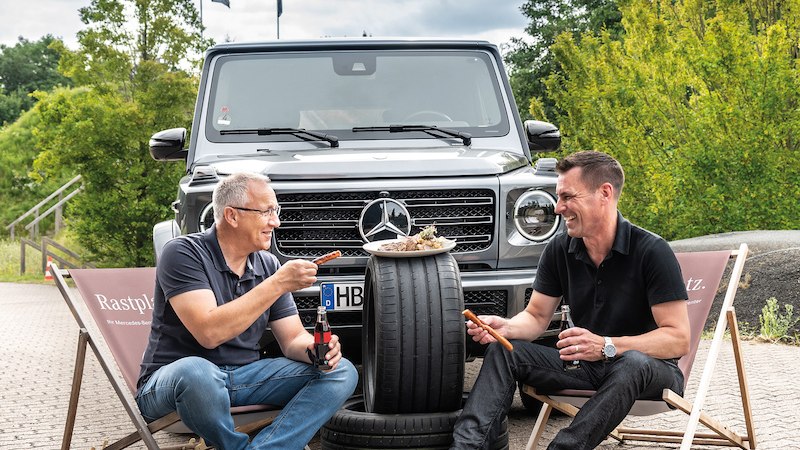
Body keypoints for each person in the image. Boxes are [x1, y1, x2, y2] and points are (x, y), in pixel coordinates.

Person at [451, 151, 690, 450]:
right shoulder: (559, 249)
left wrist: (606, 345)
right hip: (588, 366)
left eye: (567, 197)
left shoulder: (652, 251)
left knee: (632, 362)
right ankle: (467, 447)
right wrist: (507, 327)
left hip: (651, 371)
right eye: (558, 197)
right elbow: (537, 317)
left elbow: (678, 339)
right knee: (505, 350)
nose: (557, 207)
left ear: (604, 193)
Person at [135, 172, 358, 450]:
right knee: (198, 371)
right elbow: (210, 332)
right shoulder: (182, 253)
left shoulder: (267, 264)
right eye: (266, 212)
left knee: (341, 372)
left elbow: (292, 340)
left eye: (276, 211)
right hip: (176, 383)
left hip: (244, 378)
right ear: (232, 215)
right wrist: (277, 284)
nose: (275, 222)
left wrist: (316, 350)